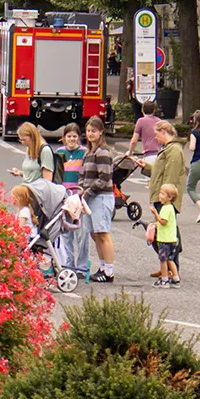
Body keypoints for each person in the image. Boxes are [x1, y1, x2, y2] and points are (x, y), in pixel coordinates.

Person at [137, 120, 185, 279]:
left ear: (164, 131)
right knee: (164, 234)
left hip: (166, 198)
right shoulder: (168, 149)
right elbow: (160, 172)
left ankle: (172, 269)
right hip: (163, 197)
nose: (156, 138)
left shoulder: (174, 151)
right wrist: (146, 167)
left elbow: (170, 179)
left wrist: (165, 198)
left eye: (157, 135)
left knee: (169, 235)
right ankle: (166, 267)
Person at [77, 116, 115, 283]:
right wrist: (80, 189)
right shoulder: (88, 152)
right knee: (94, 234)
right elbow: (82, 175)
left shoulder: (103, 152)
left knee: (103, 233)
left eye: (93, 131)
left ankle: (109, 271)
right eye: (88, 131)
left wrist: (88, 192)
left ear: (101, 132)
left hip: (101, 197)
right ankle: (102, 266)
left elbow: (104, 177)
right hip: (89, 197)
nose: (90, 134)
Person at [152, 184, 181, 289]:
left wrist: (156, 214)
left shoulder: (165, 208)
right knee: (170, 259)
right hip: (172, 239)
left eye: (163, 194)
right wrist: (156, 224)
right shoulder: (171, 208)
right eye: (160, 193)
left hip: (165, 240)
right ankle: (176, 278)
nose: (160, 195)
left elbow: (163, 222)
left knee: (163, 260)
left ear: (169, 197)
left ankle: (164, 280)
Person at [56, 123, 87, 191]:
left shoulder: (84, 152)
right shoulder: (59, 152)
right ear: (64, 137)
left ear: (78, 137)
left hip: (78, 190)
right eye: (69, 136)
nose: (72, 139)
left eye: (74, 136)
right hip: (63, 190)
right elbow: (57, 174)